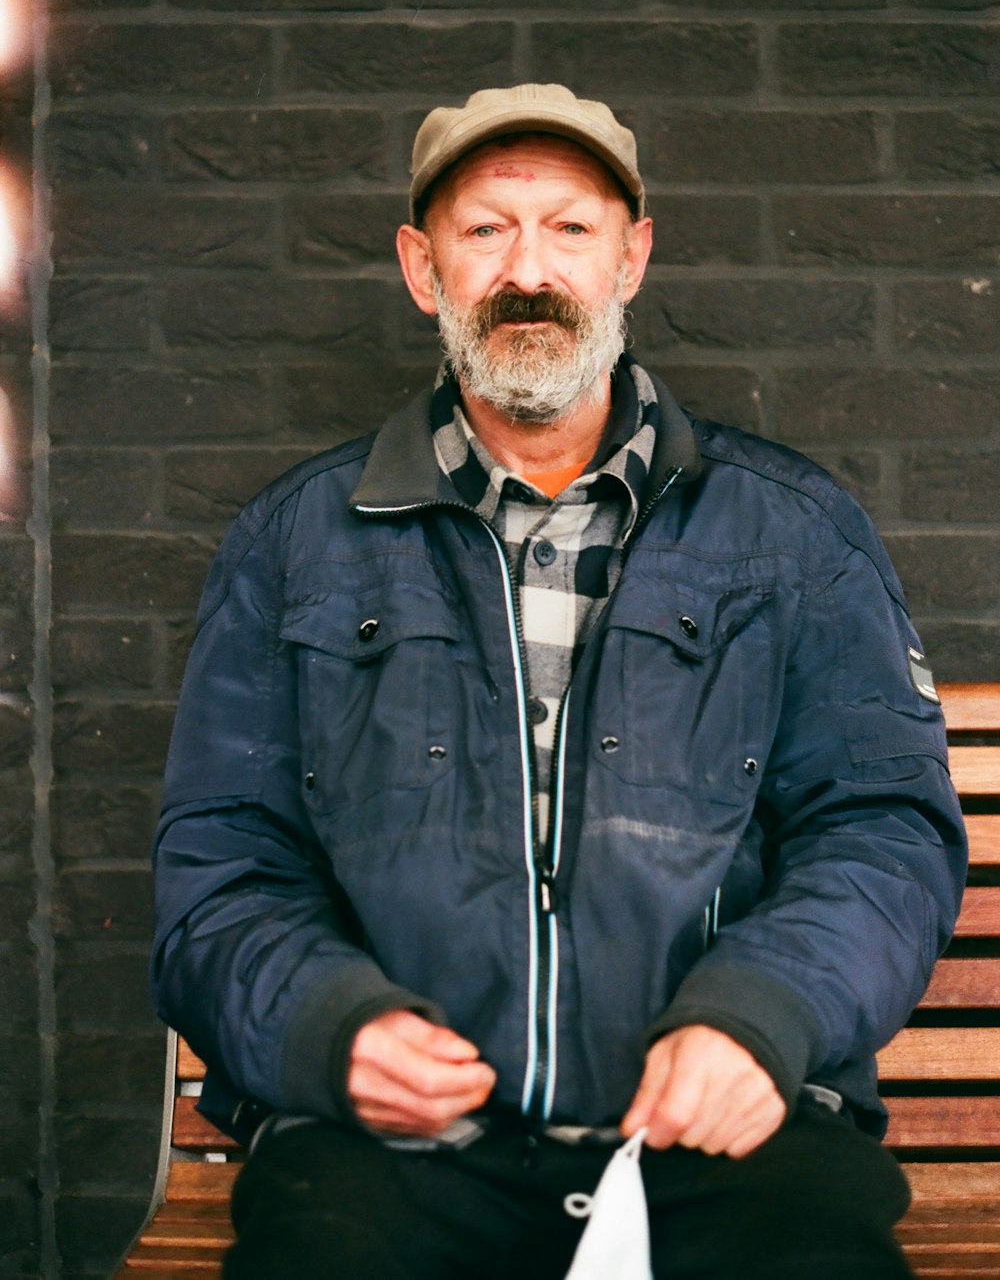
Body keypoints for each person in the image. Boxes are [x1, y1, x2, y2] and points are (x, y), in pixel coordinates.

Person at [151, 83, 967, 1280]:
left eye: (570, 228)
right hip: (396, 1151)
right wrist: (333, 1026)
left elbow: (885, 828)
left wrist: (762, 1016)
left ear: (630, 258)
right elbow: (222, 859)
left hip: (720, 1138)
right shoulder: (293, 541)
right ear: (423, 268)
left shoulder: (794, 532)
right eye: (485, 229)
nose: (527, 268)